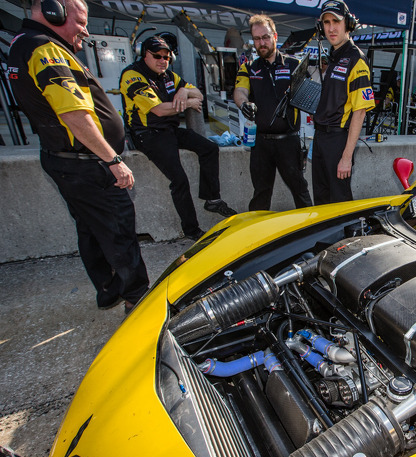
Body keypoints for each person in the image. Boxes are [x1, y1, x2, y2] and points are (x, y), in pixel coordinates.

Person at [9, 0, 149, 315]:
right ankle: (138, 301)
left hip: (68, 162)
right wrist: (113, 160)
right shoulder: (46, 50)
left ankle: (108, 291)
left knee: (90, 229)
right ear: (53, 12)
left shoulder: (25, 45)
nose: (86, 30)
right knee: (118, 230)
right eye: (80, 21)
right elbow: (74, 115)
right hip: (88, 165)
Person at [120, 35, 236, 241]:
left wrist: (183, 91)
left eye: (166, 57)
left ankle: (212, 198)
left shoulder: (168, 75)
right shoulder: (132, 75)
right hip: (147, 134)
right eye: (157, 56)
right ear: (144, 55)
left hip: (171, 130)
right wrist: (188, 103)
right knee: (179, 180)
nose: (162, 60)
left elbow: (198, 94)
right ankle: (191, 230)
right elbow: (159, 110)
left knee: (210, 148)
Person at [233, 15, 312, 211]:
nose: (262, 42)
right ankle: (257, 237)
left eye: (265, 37)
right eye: (257, 38)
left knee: (300, 190)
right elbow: (239, 91)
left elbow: (310, 96)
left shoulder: (294, 64)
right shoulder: (249, 67)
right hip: (260, 143)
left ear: (275, 36)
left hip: (288, 141)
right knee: (261, 193)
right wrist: (244, 104)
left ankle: (313, 234)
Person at [312, 0, 375, 204]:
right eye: (326, 22)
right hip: (321, 138)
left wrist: (346, 157)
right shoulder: (333, 57)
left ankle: (347, 237)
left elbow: (360, 112)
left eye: (336, 22)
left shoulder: (356, 59)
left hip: (338, 142)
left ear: (347, 24)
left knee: (339, 203)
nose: (331, 28)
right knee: (321, 200)